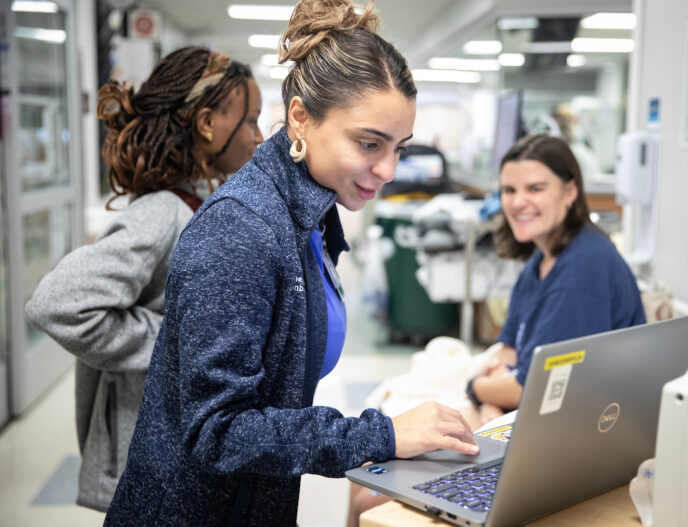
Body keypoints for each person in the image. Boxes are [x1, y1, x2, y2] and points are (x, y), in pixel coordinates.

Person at [104, 1, 479, 525]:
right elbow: (219, 430)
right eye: (369, 143)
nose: (388, 169)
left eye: (399, 147)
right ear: (301, 117)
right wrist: (381, 435)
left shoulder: (311, 211)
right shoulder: (241, 229)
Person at [24, 46, 262, 512]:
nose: (257, 136)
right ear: (208, 123)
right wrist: (175, 341)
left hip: (168, 449)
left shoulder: (197, 204)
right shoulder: (161, 213)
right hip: (141, 457)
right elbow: (55, 303)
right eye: (251, 120)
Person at [465, 134, 646, 427]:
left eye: (535, 189)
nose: (519, 202)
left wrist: (475, 387)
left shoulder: (582, 269)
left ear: (570, 191)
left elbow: (534, 389)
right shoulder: (542, 259)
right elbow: (509, 350)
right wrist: (491, 400)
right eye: (509, 190)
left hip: (586, 426)